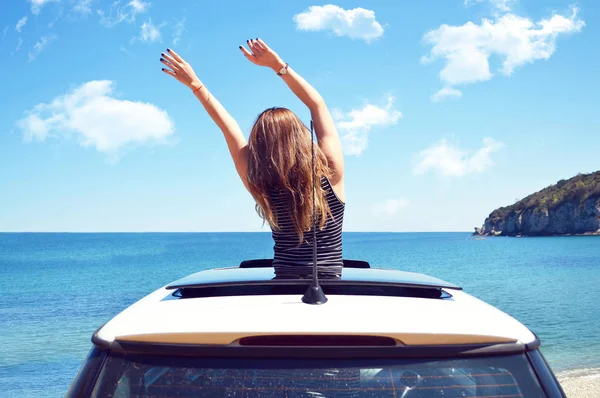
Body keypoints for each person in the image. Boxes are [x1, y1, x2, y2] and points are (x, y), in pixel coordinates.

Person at [160, 38, 345, 278]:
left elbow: (228, 128)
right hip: (334, 292)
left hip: (281, 292)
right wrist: (278, 66)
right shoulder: (330, 172)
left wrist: (196, 85)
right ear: (301, 138)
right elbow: (317, 105)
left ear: (259, 147)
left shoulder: (260, 185)